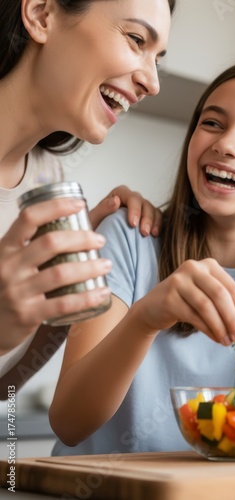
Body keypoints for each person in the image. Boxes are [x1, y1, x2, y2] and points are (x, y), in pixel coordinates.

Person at [49, 59, 235, 455]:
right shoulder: (128, 238)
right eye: (213, 123)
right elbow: (69, 423)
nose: (226, 143)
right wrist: (147, 318)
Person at [0, 0, 176, 393]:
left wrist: (67, 288)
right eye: (135, 39)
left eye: (157, 59)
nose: (153, 82)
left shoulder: (48, 182)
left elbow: (5, 387)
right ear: (42, 14)